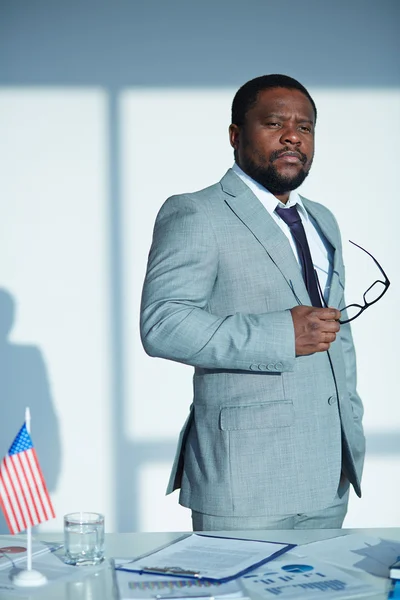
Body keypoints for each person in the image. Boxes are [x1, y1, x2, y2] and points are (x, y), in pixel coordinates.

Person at [140, 74, 365, 531]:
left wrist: (349, 427)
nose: (292, 136)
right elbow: (163, 323)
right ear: (235, 136)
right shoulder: (195, 212)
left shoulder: (322, 219)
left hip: (329, 474)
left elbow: (335, 335)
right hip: (245, 480)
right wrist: (283, 333)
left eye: (305, 127)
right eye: (274, 123)